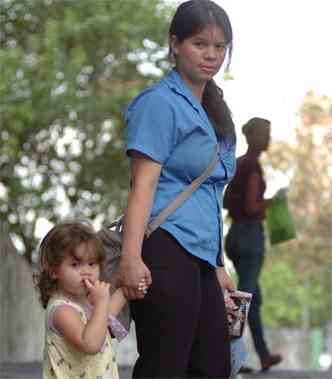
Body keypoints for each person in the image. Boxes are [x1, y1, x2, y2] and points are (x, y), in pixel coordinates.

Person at [117, 1, 238, 377]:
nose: (211, 55)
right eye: (200, 44)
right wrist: (131, 257)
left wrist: (218, 265)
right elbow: (143, 185)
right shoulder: (159, 103)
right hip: (165, 248)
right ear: (175, 44)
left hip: (201, 256)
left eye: (220, 47)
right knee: (164, 363)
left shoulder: (216, 112)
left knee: (213, 365)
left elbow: (209, 197)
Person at [33, 221, 147, 379]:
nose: (86, 271)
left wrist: (125, 291)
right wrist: (101, 303)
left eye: (92, 264)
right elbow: (91, 343)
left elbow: (105, 318)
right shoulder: (61, 310)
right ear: (54, 270)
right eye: (75, 265)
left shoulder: (84, 300)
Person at [223, 117, 283, 373]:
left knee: (252, 299)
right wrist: (273, 202)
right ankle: (226, 355)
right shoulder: (253, 167)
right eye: (265, 134)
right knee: (243, 298)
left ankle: (264, 354)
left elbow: (226, 201)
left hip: (234, 235)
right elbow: (251, 206)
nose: (268, 139)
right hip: (249, 236)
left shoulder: (238, 164)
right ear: (254, 137)